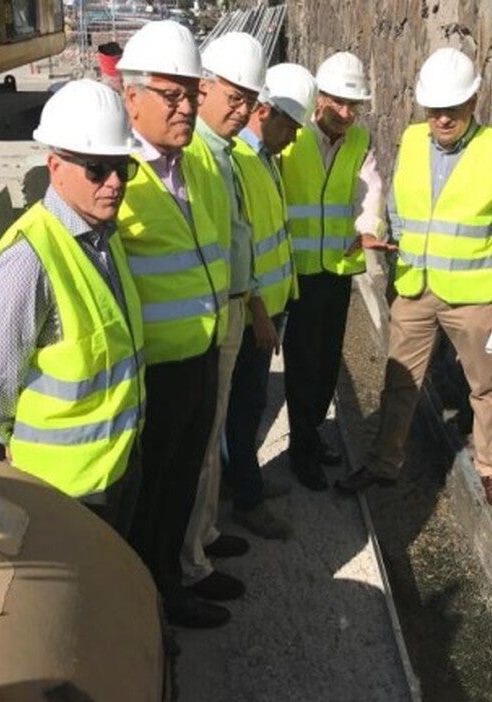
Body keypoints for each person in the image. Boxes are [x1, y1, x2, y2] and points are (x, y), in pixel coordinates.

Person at [335, 47, 492, 509]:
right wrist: (399, 267)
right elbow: (400, 208)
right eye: (435, 110)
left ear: (472, 104)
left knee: (484, 385)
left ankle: (491, 469)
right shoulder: (412, 139)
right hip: (416, 290)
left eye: (452, 109)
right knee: (400, 381)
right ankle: (384, 463)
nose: (442, 119)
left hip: (475, 298)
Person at [0, 79, 145, 536]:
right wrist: (13, 439)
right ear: (54, 166)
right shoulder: (29, 259)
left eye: (123, 168)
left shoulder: (103, 237)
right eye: (96, 169)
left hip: (116, 465)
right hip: (63, 490)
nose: (114, 183)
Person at [115, 20, 232, 629]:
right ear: (131, 97)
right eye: (171, 95)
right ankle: (147, 606)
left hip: (201, 353)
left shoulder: (192, 168)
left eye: (190, 93)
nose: (186, 107)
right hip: (155, 372)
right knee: (152, 495)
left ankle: (170, 586)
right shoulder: (115, 178)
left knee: (182, 481)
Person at [176, 31, 266, 607]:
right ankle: (190, 564)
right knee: (199, 441)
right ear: (204, 88)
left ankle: (204, 536)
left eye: (246, 100)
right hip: (209, 317)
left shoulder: (223, 155)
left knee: (210, 441)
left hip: (230, 308)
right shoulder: (198, 155)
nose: (239, 110)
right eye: (230, 97)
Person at [278, 51, 388, 491]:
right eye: (339, 102)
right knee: (303, 363)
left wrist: (366, 229)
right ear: (320, 97)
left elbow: (371, 190)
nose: (346, 113)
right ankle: (301, 447)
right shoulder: (293, 136)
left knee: (327, 362)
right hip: (299, 270)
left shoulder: (359, 141)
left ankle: (313, 433)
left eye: (353, 105)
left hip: (338, 268)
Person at [222, 62, 318, 539]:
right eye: (291, 127)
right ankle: (247, 500)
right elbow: (241, 243)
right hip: (252, 313)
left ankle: (243, 479)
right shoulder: (238, 160)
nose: (294, 138)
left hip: (272, 306)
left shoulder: (263, 159)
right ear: (266, 112)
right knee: (246, 405)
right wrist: (259, 310)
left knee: (250, 402)